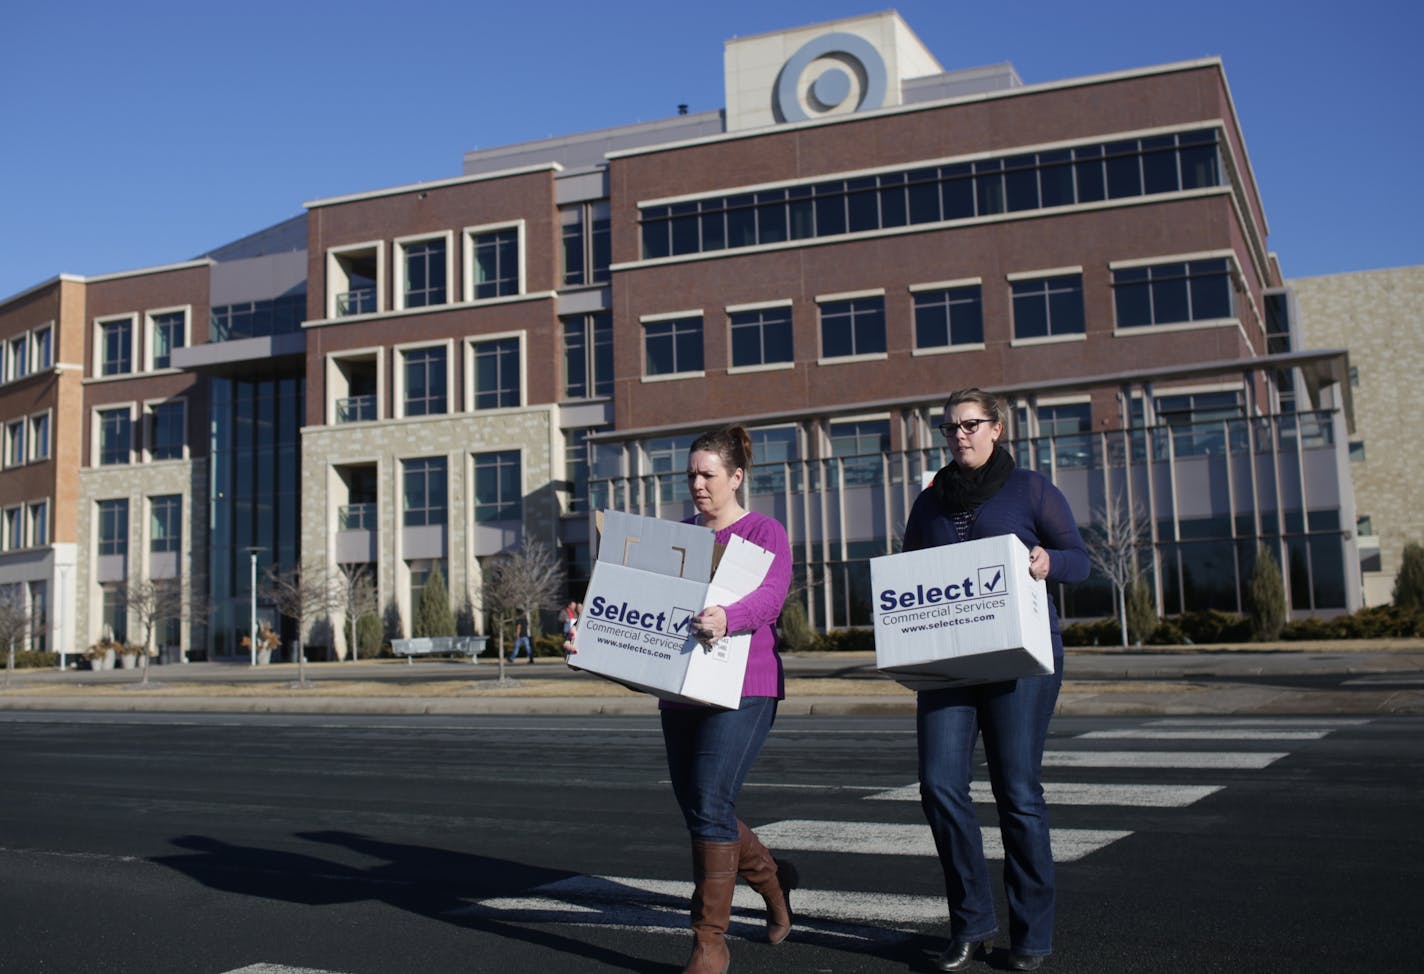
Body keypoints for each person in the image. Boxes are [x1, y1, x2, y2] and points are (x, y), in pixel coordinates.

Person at [569, 424, 797, 974]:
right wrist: (593, 638)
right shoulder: (676, 538)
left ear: (736, 477)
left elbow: (771, 596)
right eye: (690, 474)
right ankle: (771, 883)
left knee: (711, 802)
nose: (696, 483)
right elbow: (641, 611)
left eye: (707, 474)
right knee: (702, 808)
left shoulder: (765, 531)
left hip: (745, 687)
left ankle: (708, 941)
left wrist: (729, 616)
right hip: (680, 693)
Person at [902, 388, 1089, 973]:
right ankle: (971, 924)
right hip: (950, 662)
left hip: (1021, 663)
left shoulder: (1031, 488)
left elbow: (1079, 559)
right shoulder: (929, 500)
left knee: (1017, 793)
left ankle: (1031, 936)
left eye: (971, 424)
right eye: (951, 426)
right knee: (938, 785)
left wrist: (1046, 563)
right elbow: (910, 572)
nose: (960, 435)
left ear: (997, 429)